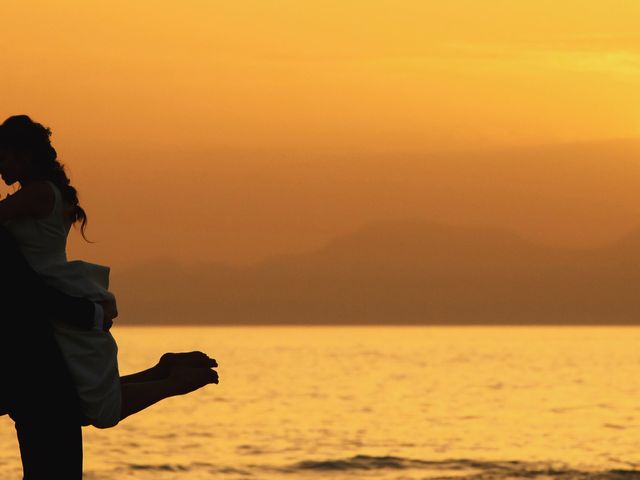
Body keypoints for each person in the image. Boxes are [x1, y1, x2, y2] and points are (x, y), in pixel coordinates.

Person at [0, 115, 219, 478]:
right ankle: (164, 372)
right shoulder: (42, 193)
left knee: (92, 404)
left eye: (3, 155)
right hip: (47, 296)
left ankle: (170, 382)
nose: (0, 164)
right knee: (80, 396)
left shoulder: (37, 193)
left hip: (46, 293)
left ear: (24, 155)